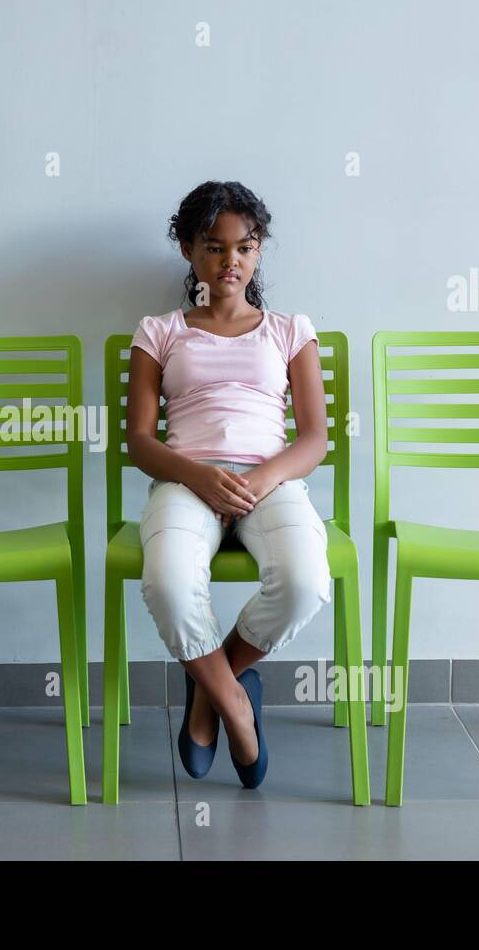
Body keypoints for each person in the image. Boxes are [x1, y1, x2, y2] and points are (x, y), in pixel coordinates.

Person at [126, 180, 333, 788]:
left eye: (244, 247)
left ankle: (207, 692)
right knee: (166, 580)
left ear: (259, 250)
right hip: (185, 481)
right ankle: (237, 706)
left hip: (270, 484)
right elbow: (140, 440)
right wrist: (201, 478)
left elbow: (315, 438)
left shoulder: (290, 329)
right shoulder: (158, 331)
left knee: (303, 582)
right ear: (189, 251)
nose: (230, 261)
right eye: (214, 248)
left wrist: (257, 482)